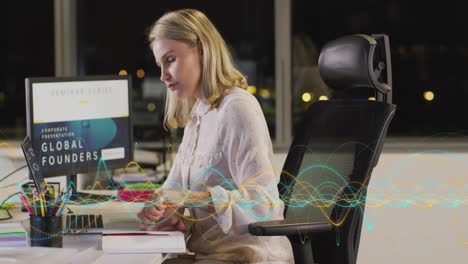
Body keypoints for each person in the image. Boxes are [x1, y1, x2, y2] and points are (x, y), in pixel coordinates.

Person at [137, 9, 293, 264]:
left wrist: (203, 198)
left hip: (244, 257)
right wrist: (160, 209)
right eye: (160, 65)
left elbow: (265, 206)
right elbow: (174, 190)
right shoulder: (198, 115)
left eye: (171, 60)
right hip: (207, 255)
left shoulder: (237, 108)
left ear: (201, 49)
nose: (164, 76)